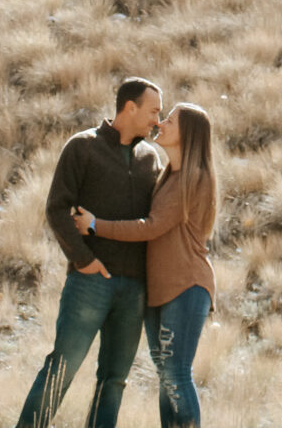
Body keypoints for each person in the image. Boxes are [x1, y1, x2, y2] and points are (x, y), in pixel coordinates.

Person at [14, 78, 163, 428]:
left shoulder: (151, 159)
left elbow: (154, 223)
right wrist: (84, 261)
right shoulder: (82, 147)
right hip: (90, 282)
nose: (157, 119)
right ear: (130, 107)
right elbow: (56, 209)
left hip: (135, 289)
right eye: (153, 111)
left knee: (114, 380)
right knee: (61, 367)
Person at [73, 102, 218, 428]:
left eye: (170, 120)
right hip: (160, 291)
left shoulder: (193, 178)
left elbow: (150, 226)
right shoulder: (168, 176)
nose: (161, 124)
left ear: (188, 134)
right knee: (167, 376)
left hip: (186, 285)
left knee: (176, 373)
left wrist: (97, 225)